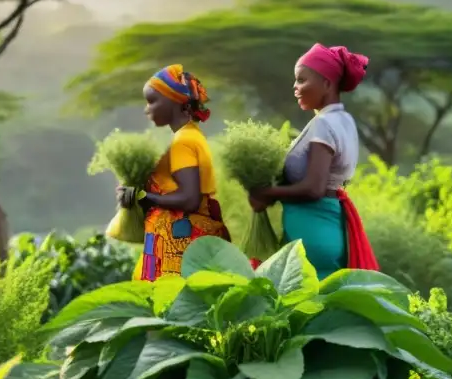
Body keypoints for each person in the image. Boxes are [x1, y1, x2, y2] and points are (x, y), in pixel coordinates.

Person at [248, 44, 378, 277]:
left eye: (302, 80)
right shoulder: (343, 120)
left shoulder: (323, 124)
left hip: (312, 232)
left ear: (327, 83)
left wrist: (266, 193)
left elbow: (313, 188)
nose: (295, 87)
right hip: (328, 225)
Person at [117, 64, 230, 281]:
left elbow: (189, 199)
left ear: (177, 102)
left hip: (179, 247)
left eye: (152, 101)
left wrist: (143, 197)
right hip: (183, 241)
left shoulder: (183, 142)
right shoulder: (191, 136)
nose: (146, 109)